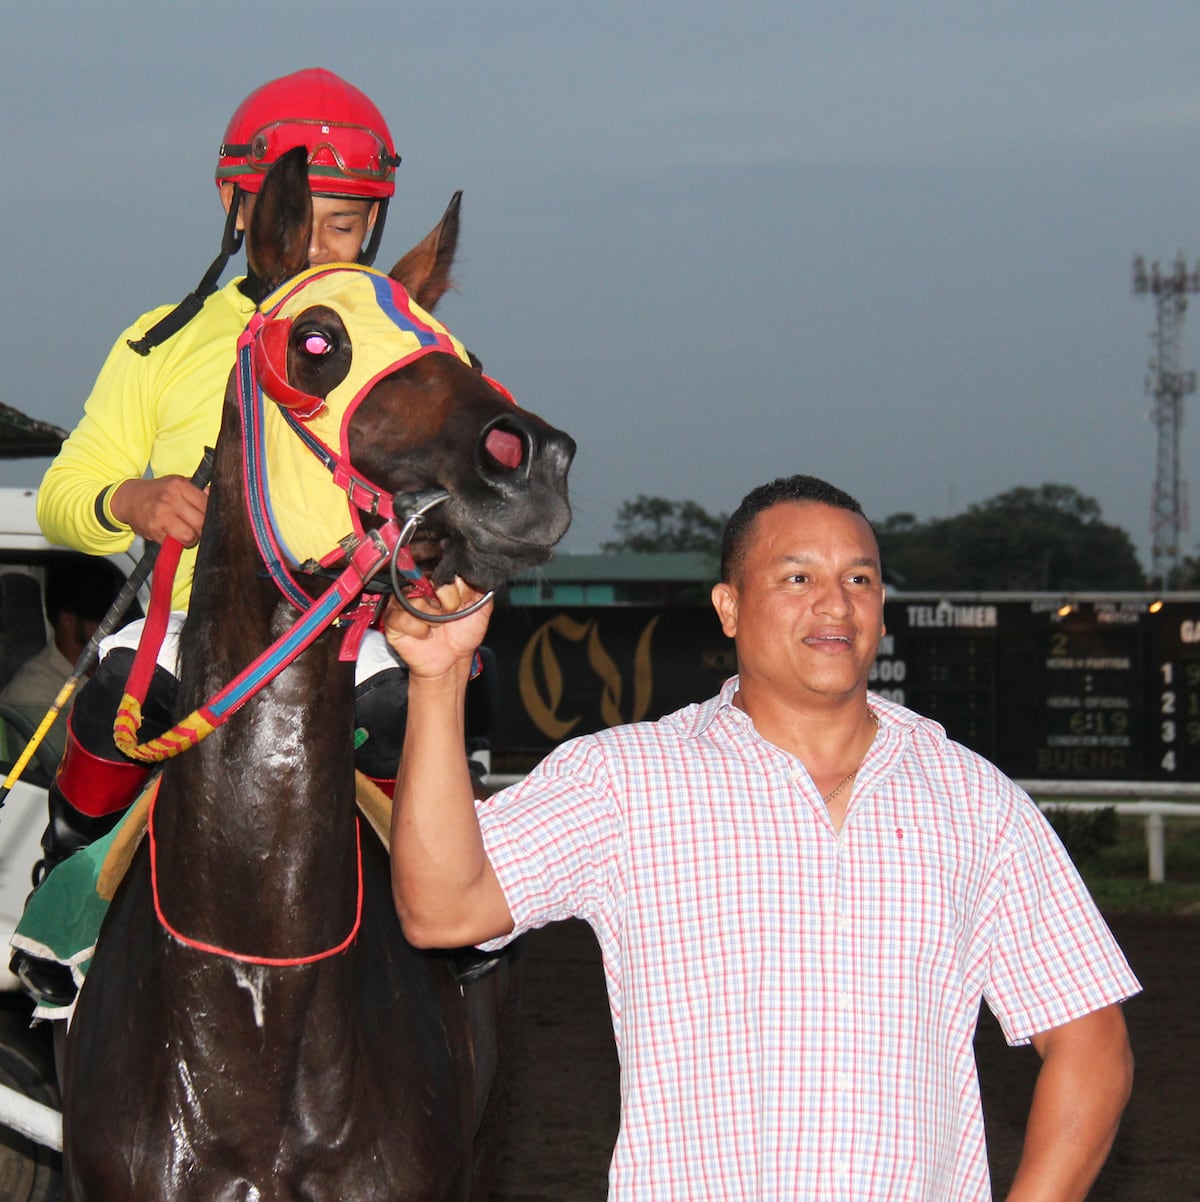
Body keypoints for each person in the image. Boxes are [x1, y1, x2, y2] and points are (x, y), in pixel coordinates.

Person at [384, 473, 1141, 1202]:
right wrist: (440, 679)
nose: (835, 604)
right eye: (798, 578)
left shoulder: (975, 800)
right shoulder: (626, 780)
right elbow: (445, 910)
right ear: (730, 606)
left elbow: (1091, 1042)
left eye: (860, 580)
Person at [13, 68, 414, 1005]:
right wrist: (133, 499)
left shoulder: (405, 339)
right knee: (107, 692)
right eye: (292, 215)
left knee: (406, 718)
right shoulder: (157, 342)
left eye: (345, 222)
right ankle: (68, 897)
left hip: (340, 633)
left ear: (377, 228)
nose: (316, 244)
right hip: (183, 632)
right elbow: (60, 495)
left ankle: (455, 922)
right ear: (238, 207)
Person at [0, 553, 129, 763]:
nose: (115, 628)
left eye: (118, 619)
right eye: (100, 620)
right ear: (68, 620)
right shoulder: (33, 693)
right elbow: (63, 773)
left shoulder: (114, 668)